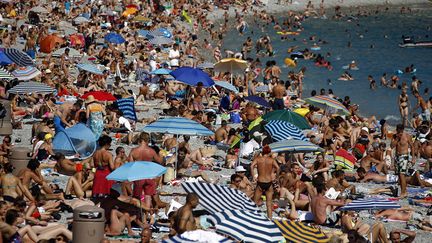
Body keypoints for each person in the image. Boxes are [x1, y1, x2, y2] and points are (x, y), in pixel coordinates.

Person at [251, 145, 279, 218]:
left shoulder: (258, 159)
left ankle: (253, 218)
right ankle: (270, 220)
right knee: (269, 204)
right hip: (269, 182)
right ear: (269, 152)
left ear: (262, 152)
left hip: (260, 182)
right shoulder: (272, 160)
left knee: (255, 203)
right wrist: (276, 177)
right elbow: (278, 168)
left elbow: (251, 166)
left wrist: (253, 176)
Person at [391, 124, 415, 198]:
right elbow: (392, 146)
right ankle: (404, 191)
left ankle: (403, 193)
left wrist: (413, 158)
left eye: (401, 130)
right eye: (398, 130)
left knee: (402, 175)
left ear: (403, 129)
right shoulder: (395, 136)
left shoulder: (407, 136)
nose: (400, 132)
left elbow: (412, 147)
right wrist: (397, 139)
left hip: (404, 156)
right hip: (397, 157)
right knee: (399, 175)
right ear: (397, 129)